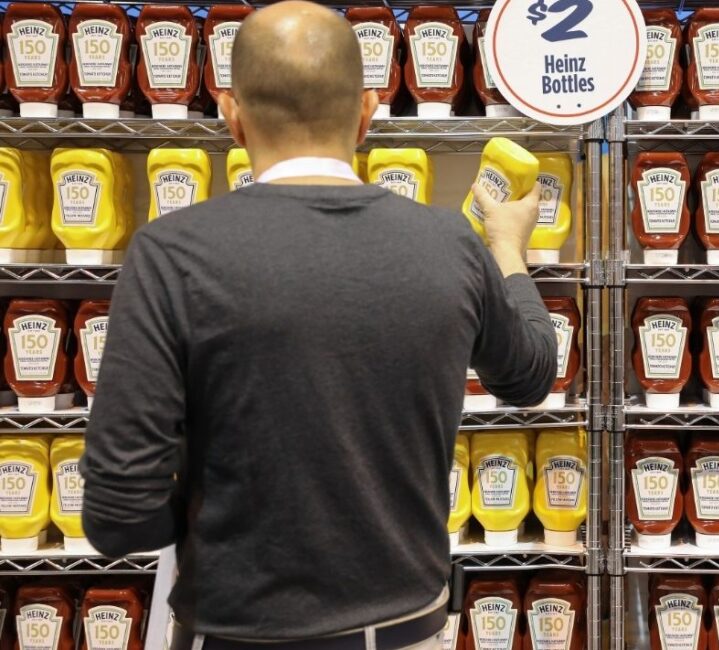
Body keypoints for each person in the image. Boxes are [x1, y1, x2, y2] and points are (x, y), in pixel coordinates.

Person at [79, 2, 557, 648]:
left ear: (232, 117)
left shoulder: (171, 253)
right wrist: (507, 249)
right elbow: (530, 375)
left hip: (233, 632)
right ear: (367, 112)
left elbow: (118, 517)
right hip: (408, 629)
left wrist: (215, 515)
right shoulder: (451, 245)